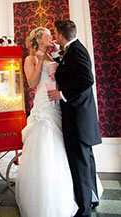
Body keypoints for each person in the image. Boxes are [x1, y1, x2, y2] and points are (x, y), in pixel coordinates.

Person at [15, 27, 78, 217]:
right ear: (38, 40)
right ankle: (42, 197)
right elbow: (32, 84)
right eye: (47, 35)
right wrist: (40, 61)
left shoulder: (55, 56)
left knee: (60, 142)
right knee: (45, 141)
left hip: (56, 102)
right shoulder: (30, 58)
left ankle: (66, 189)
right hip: (43, 103)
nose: (51, 37)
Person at [48, 20, 102, 217]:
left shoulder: (76, 50)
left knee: (79, 164)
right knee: (86, 160)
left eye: (55, 33)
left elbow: (87, 79)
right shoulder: (73, 49)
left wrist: (62, 94)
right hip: (81, 116)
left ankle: (84, 210)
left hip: (78, 117)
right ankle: (91, 200)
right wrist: (56, 56)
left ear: (61, 36)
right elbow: (71, 72)